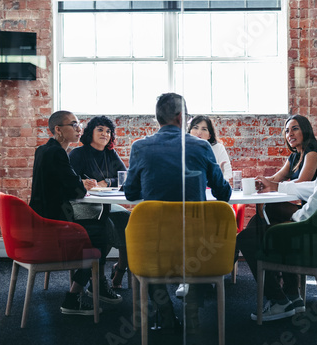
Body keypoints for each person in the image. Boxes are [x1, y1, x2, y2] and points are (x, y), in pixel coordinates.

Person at [238, 108, 317, 321]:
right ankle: (292, 295)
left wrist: (292, 220)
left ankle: (279, 301)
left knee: (247, 237)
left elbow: (315, 205)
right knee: (266, 223)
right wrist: (279, 189)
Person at [124, 93, 233, 334]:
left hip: (155, 246)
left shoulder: (140, 147)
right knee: (193, 244)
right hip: (198, 246)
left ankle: (166, 314)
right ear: (182, 117)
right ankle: (192, 315)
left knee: (152, 252)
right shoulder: (203, 146)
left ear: (157, 118)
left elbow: (131, 193)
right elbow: (223, 194)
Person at [29, 110, 122, 316]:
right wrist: (82, 185)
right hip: (54, 222)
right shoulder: (58, 153)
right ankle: (74, 296)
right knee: (101, 234)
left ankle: (92, 285)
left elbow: (63, 184)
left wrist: (80, 184)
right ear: (58, 130)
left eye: (79, 124)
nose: (79, 128)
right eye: (73, 125)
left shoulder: (44, 150)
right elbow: (76, 190)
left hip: (44, 217)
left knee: (102, 227)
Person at [68, 115, 131, 290]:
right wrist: (82, 183)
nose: (105, 134)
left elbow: (125, 178)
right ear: (90, 133)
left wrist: (107, 182)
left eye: (108, 131)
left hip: (104, 204)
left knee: (127, 220)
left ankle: (119, 271)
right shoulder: (78, 154)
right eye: (100, 129)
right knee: (106, 225)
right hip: (81, 205)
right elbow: (69, 184)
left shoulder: (110, 154)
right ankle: (99, 281)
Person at [267, 115, 317, 183]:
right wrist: (257, 181)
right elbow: (275, 179)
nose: (290, 134)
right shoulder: (294, 156)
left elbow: (301, 183)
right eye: (287, 131)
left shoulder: (312, 153)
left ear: (305, 130)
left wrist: (276, 186)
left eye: (295, 129)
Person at [189, 115, 233, 180]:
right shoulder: (183, 149)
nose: (199, 132)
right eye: (195, 127)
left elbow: (228, 174)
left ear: (209, 135)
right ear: (190, 131)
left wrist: (219, 176)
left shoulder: (218, 148)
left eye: (204, 129)